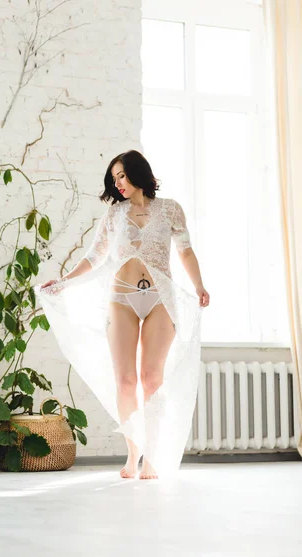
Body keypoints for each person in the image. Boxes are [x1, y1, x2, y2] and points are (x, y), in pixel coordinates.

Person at [34, 150, 210, 481]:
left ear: (137, 173)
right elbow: (94, 257)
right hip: (121, 299)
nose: (118, 184)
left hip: (161, 299)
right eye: (114, 179)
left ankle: (154, 457)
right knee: (126, 381)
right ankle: (134, 454)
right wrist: (64, 281)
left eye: (122, 176)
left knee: (152, 379)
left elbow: (185, 251)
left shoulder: (170, 209)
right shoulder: (114, 215)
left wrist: (199, 286)